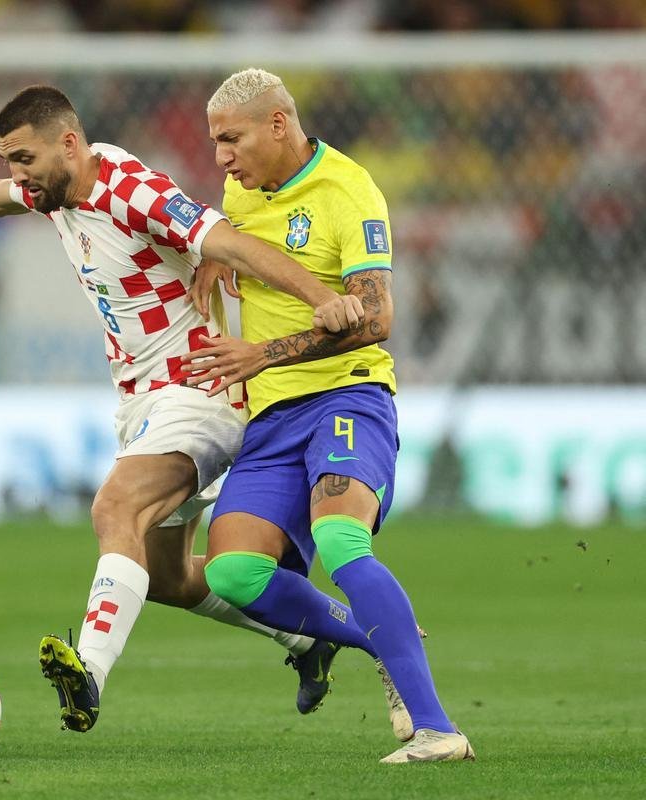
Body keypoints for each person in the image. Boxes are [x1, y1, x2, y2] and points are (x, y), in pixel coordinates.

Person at [0, 85, 373, 733]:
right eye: (8, 160)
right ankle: (308, 640)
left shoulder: (128, 187)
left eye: (23, 157)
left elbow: (226, 241)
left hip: (199, 389)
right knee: (165, 577)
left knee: (116, 510)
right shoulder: (54, 189)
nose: (16, 174)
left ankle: (87, 672)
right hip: (143, 402)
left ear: (68, 144)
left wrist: (320, 297)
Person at [183, 68, 474, 763]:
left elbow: (376, 317)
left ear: (277, 124)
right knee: (232, 576)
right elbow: (234, 237)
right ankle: (382, 636)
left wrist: (263, 352)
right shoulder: (239, 190)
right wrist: (210, 256)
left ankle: (437, 730)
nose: (220, 156)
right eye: (214, 142)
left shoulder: (349, 192)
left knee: (342, 545)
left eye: (231, 138)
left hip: (348, 395)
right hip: (272, 417)